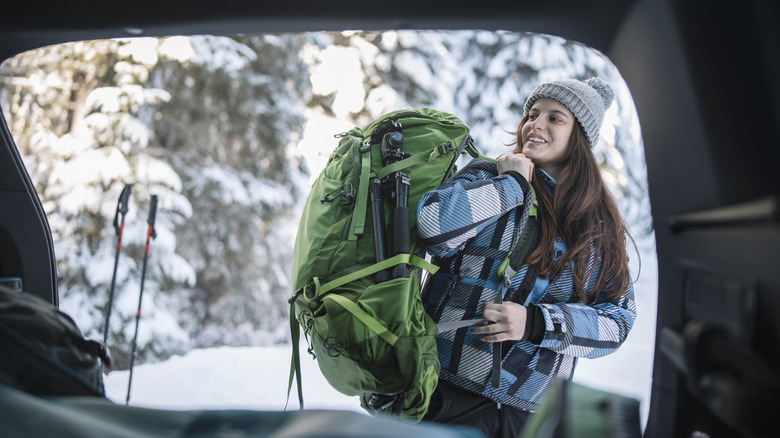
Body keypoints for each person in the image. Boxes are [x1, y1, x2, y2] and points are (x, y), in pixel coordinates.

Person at [416, 77, 637, 437]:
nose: (536, 124)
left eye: (555, 118)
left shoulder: (597, 227)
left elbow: (618, 321)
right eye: (532, 114)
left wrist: (537, 322)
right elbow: (432, 226)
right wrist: (512, 186)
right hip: (444, 393)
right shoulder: (487, 177)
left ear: (578, 137)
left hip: (532, 415)